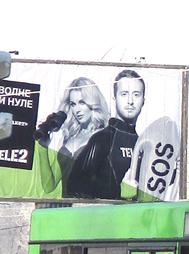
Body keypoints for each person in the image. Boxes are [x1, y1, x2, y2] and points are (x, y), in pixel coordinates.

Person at [65, 69, 146, 200]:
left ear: (143, 100)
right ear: (115, 98)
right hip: (109, 218)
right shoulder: (103, 139)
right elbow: (74, 185)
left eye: (136, 95)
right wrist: (119, 191)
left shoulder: (142, 143)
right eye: (124, 94)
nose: (130, 101)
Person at [33, 77, 110, 196]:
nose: (77, 110)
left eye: (82, 102)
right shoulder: (69, 138)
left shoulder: (103, 137)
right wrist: (42, 148)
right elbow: (49, 186)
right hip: (67, 208)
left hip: (91, 208)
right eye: (73, 104)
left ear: (92, 103)